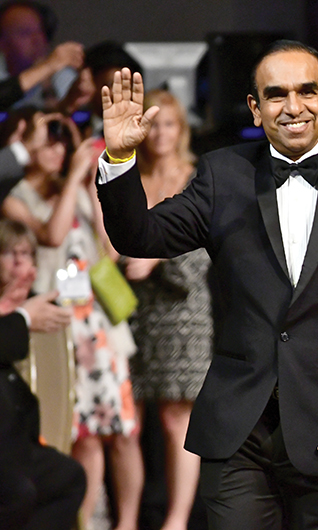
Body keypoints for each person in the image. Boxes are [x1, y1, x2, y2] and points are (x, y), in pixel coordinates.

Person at [95, 40, 318, 530]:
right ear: (255, 106)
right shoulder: (222, 174)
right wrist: (119, 158)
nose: (294, 107)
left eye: (307, 92)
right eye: (276, 94)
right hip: (238, 429)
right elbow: (141, 236)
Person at [1, 110, 142, 530]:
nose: (58, 151)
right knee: (80, 432)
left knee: (121, 428)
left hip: (97, 323)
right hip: (53, 320)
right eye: (50, 141)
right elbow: (52, 235)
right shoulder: (18, 195)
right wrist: (76, 175)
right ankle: (88, 521)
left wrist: (89, 184)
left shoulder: (79, 188)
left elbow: (112, 249)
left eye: (65, 143)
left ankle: (128, 522)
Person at [124, 89, 212, 530]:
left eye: (169, 124)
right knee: (131, 419)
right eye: (153, 123)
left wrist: (155, 255)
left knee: (178, 417)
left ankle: (176, 520)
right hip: (132, 309)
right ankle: (129, 516)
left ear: (182, 130)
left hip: (183, 308)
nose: (160, 132)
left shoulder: (196, 177)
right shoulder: (132, 176)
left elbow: (205, 250)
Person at [0, 217, 85, 530]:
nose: (21, 263)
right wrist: (19, 316)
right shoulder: (23, 313)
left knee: (68, 477)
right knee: (18, 493)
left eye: (27, 254)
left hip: (19, 439)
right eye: (11, 254)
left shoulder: (38, 301)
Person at [0, 1, 85, 110]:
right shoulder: (52, 65)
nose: (37, 40)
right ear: (2, 42)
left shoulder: (61, 75)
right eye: (25, 33)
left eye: (39, 31)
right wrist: (48, 66)